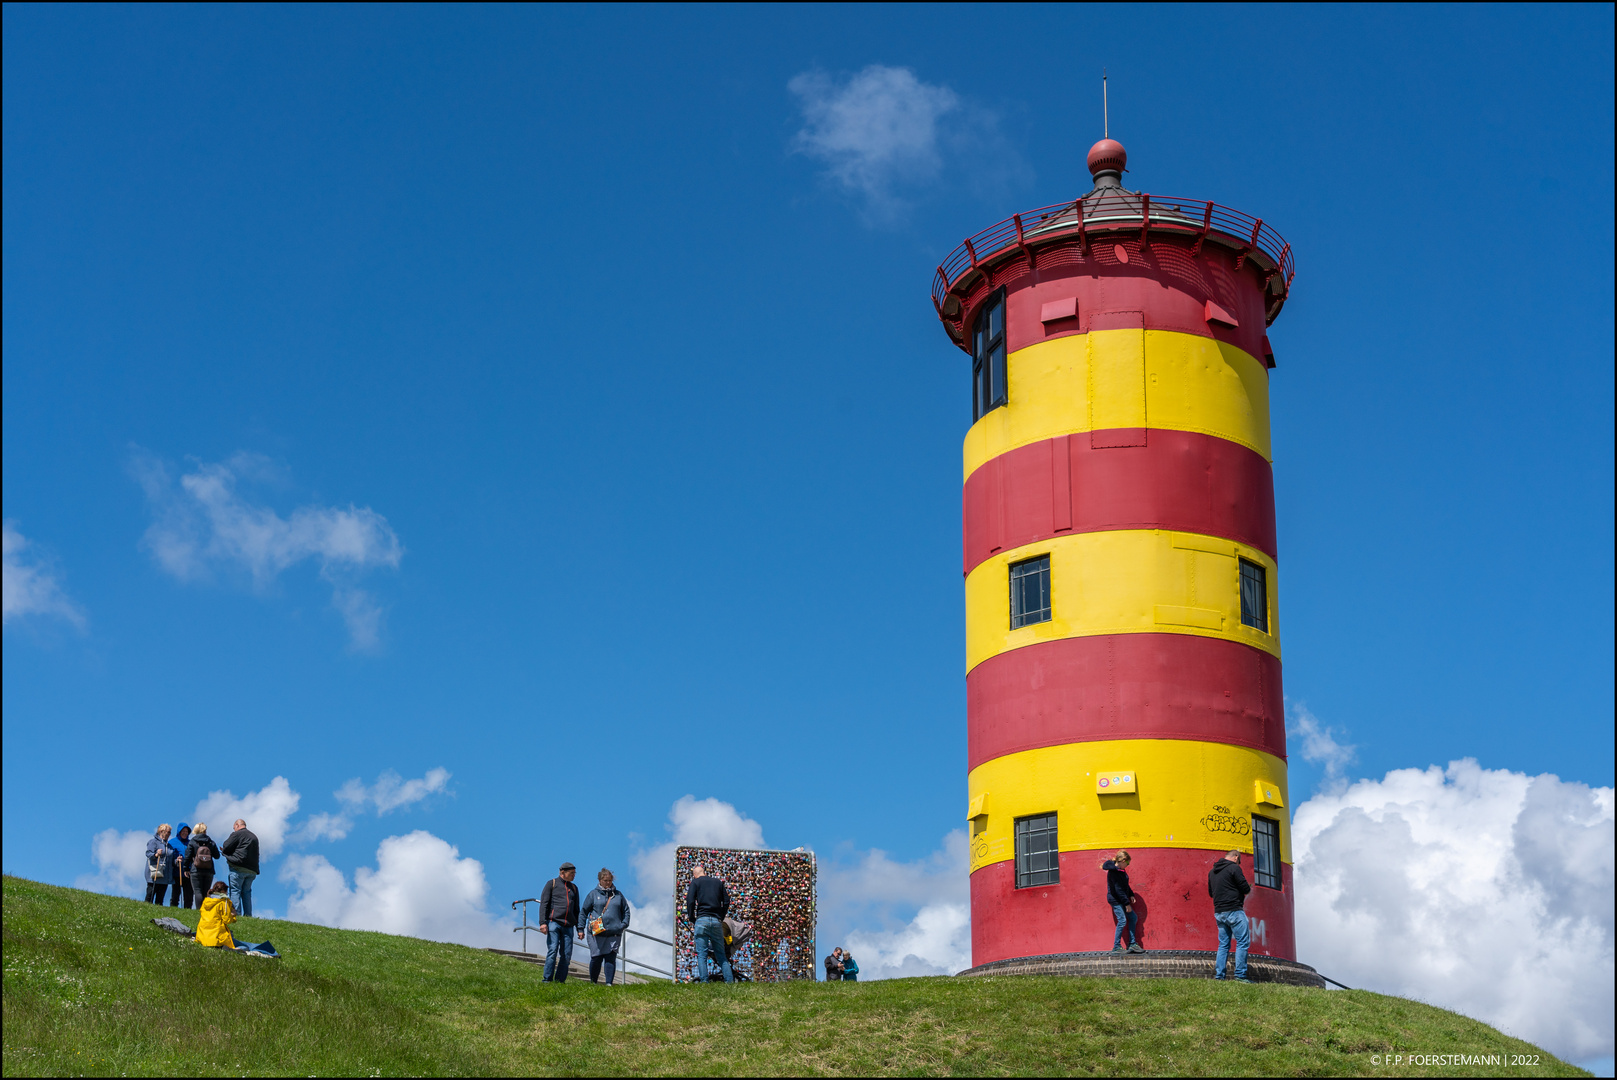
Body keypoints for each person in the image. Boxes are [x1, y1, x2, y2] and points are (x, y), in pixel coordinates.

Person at [581, 868, 631, 986]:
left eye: (609, 880)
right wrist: (580, 928)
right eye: (605, 880)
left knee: (610, 958)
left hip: (614, 932)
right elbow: (583, 912)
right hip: (596, 932)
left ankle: (609, 983)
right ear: (600, 880)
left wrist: (623, 925)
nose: (608, 883)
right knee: (596, 958)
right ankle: (593, 982)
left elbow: (626, 911)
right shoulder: (593, 894)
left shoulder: (618, 895)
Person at [1208, 849, 1253, 982]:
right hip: (1234, 910)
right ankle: (1240, 975)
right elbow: (1245, 888)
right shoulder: (1234, 868)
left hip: (1219, 912)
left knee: (1223, 945)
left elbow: (1211, 893)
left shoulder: (1212, 872)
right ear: (1235, 857)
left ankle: (1220, 976)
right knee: (1242, 942)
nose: (1238, 863)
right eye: (1239, 861)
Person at [684, 863, 733, 984]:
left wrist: (692, 917)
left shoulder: (695, 883)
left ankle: (704, 982)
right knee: (721, 954)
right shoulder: (718, 882)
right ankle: (730, 982)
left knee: (702, 955)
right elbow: (726, 901)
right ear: (704, 872)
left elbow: (690, 901)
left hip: (701, 920)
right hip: (716, 921)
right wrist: (721, 916)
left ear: (695, 876)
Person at [539, 862, 582, 983]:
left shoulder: (574, 888)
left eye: (575, 873)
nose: (574, 875)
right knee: (552, 950)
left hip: (568, 926)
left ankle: (559, 981)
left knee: (567, 954)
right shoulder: (551, 884)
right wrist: (543, 923)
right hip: (554, 923)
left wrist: (580, 929)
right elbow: (544, 904)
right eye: (571, 873)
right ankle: (547, 979)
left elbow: (576, 910)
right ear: (563, 872)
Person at [1101, 850, 1144, 953]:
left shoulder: (1121, 870)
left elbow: (1125, 885)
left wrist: (1131, 894)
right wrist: (1127, 904)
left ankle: (1132, 944)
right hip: (1115, 899)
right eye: (1127, 863)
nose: (1127, 865)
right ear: (1123, 861)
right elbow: (1118, 890)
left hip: (1122, 898)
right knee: (1122, 921)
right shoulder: (1114, 872)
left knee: (1133, 918)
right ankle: (1116, 946)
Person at [221, 818, 260, 918]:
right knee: (246, 893)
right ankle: (248, 916)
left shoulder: (237, 834)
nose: (234, 830)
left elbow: (226, 846)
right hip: (252, 870)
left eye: (234, 828)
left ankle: (236, 915)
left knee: (235, 891)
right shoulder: (254, 836)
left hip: (238, 867)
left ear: (237, 825)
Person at [186, 823, 221, 904]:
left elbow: (187, 856)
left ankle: (199, 910)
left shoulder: (192, 842)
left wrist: (186, 868)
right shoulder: (211, 842)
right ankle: (205, 909)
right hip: (209, 870)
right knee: (206, 891)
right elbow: (217, 856)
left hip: (196, 869)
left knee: (197, 891)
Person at [195, 881, 237, 948]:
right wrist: (233, 915)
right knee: (241, 945)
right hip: (216, 940)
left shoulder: (206, 901)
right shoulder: (223, 902)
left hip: (201, 937)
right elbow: (227, 920)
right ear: (224, 891)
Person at [144, 825, 174, 905]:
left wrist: (177, 861)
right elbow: (148, 853)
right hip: (154, 874)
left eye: (170, 832)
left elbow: (171, 860)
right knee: (150, 896)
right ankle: (145, 910)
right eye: (167, 832)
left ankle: (158, 915)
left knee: (160, 899)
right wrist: (156, 854)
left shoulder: (169, 846)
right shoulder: (153, 842)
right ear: (161, 831)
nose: (169, 834)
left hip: (165, 875)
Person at [169, 824, 194, 910]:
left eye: (186, 831)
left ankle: (188, 911)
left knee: (189, 896)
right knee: (175, 894)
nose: (185, 833)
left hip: (188, 873)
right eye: (183, 831)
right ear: (179, 832)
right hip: (177, 872)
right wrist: (176, 860)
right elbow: (169, 857)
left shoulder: (191, 843)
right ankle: (173, 909)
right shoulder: (172, 842)